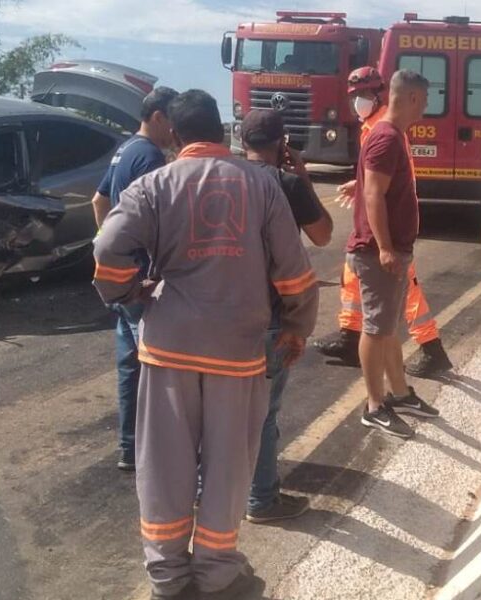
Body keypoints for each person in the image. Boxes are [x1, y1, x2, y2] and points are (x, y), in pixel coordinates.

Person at [93, 89, 319, 600]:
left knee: (165, 468)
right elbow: (294, 271)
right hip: (238, 353)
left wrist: (127, 294)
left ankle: (168, 580)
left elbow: (107, 248)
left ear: (174, 135)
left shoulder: (153, 185)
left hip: (169, 348)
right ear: (223, 131)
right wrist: (298, 326)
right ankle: (217, 574)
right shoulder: (262, 186)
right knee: (228, 466)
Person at [315, 66, 454, 378]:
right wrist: (360, 183)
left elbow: (385, 185)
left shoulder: (383, 129)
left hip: (387, 231)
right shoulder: (372, 126)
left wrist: (385, 245)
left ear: (382, 95)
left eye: (363, 95)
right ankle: (349, 337)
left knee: (406, 293)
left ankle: (431, 349)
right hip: (381, 229)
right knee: (351, 278)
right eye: (354, 96)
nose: (358, 102)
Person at [239, 109, 333, 523]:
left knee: (219, 411)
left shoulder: (225, 179)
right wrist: (304, 178)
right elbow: (324, 234)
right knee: (263, 414)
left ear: (242, 141)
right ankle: (261, 500)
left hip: (221, 316)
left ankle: (211, 494)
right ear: (282, 143)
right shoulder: (288, 183)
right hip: (271, 316)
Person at [89, 86, 179, 471]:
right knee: (158, 368)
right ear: (158, 116)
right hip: (143, 278)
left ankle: (129, 447)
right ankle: (154, 453)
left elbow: (99, 201)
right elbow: (161, 220)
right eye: (172, 120)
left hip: (122, 275)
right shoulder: (151, 157)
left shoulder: (125, 150)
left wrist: (111, 247)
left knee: (129, 365)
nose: (175, 129)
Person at [348, 70, 441, 439]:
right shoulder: (386, 137)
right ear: (414, 98)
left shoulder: (390, 135)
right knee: (375, 329)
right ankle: (374, 405)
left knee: (387, 329)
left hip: (391, 251)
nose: (428, 107)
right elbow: (373, 195)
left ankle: (399, 393)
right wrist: (385, 247)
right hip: (377, 253)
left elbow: (374, 185)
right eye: (427, 99)